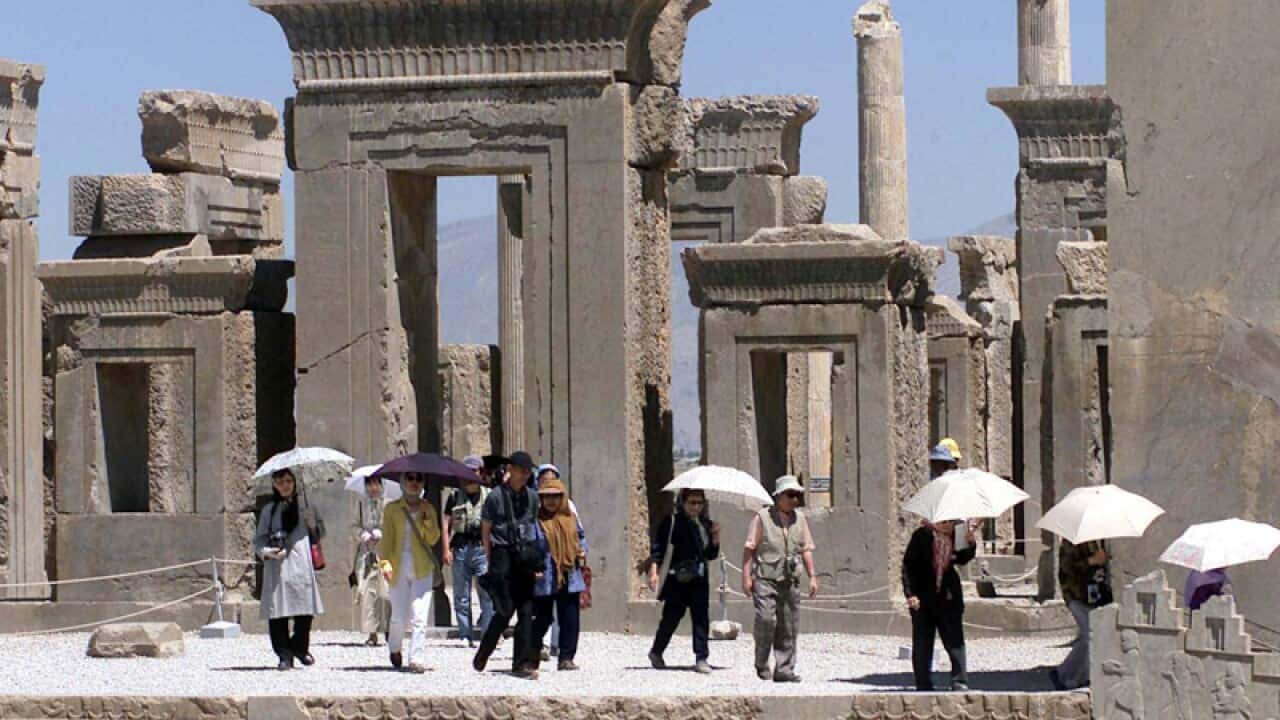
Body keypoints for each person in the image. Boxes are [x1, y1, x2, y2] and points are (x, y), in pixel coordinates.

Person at [473, 450, 545, 679]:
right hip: (501, 554)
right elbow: (486, 529)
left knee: (526, 610)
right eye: (521, 471)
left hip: (524, 555)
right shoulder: (495, 497)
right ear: (510, 470)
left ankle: (521, 664)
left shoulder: (533, 498)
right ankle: (485, 650)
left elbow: (533, 527)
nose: (525, 475)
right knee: (504, 610)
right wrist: (489, 558)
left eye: (528, 472)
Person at [742, 476, 818, 683]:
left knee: (788, 625)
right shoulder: (762, 518)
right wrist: (746, 576)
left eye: (797, 496)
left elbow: (806, 549)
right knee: (766, 620)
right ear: (779, 496)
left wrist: (812, 577)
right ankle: (761, 661)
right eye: (790, 495)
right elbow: (749, 549)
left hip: (790, 579)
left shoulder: (800, 519)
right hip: (766, 578)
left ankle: (784, 668)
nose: (795, 500)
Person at [253, 469, 324, 671]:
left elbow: (320, 533)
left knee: (305, 610)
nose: (285, 485)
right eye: (280, 481)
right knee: (278, 613)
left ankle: (300, 647)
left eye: (289, 481)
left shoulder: (306, 506)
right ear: (274, 484)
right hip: (278, 565)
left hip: (301, 563)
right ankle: (284, 654)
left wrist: (313, 525)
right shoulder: (269, 510)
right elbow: (258, 540)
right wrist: (267, 552)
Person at [647, 488, 721, 675]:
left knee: (701, 619)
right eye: (692, 503)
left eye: (699, 503)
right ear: (683, 502)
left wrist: (715, 537)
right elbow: (658, 548)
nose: (696, 507)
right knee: (671, 618)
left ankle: (701, 657)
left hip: (699, 579)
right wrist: (654, 572)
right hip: (677, 579)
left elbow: (710, 554)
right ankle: (656, 651)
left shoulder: (706, 524)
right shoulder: (673, 522)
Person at [902, 518, 977, 691]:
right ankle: (923, 683)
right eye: (944, 522)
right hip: (923, 597)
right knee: (922, 642)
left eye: (951, 522)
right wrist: (910, 594)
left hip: (948, 596)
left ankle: (959, 681)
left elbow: (963, 558)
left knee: (954, 640)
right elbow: (908, 566)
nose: (948, 525)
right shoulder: (922, 536)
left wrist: (970, 543)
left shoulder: (957, 535)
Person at [378, 472, 441, 673]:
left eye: (419, 479)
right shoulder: (392, 509)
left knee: (420, 616)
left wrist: (426, 518)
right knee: (398, 615)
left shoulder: (428, 508)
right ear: (403, 482)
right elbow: (387, 540)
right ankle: (394, 647)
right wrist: (384, 564)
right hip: (397, 564)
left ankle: (416, 658)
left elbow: (433, 539)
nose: (414, 483)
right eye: (410, 478)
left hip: (422, 565)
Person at [531, 476, 587, 671]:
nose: (551, 501)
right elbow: (530, 544)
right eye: (547, 497)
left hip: (569, 574)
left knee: (570, 618)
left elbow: (580, 536)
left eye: (555, 496)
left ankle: (566, 657)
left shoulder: (571, 518)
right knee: (542, 618)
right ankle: (531, 653)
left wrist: (581, 550)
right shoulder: (536, 521)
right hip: (545, 576)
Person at [443, 456, 494, 648]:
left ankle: (488, 633)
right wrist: (446, 548)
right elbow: (446, 521)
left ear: (481, 472)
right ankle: (465, 633)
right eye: (467, 471)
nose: (471, 475)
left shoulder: (488, 495)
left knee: (487, 592)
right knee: (461, 594)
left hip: (482, 547)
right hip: (461, 547)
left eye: (474, 471)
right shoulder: (455, 496)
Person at [1051, 538, 1108, 690]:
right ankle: (1062, 673)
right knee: (1088, 636)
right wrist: (1092, 561)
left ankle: (1082, 677)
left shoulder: (1098, 542)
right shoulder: (1071, 543)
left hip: (1094, 596)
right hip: (1075, 595)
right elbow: (1067, 569)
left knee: (1093, 636)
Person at [352, 474, 390, 646]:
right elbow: (353, 526)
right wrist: (362, 534)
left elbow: (394, 526)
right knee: (368, 593)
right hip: (366, 553)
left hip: (385, 553)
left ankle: (389, 628)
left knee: (386, 593)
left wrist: (383, 533)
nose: (373, 488)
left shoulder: (389, 504)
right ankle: (372, 633)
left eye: (376, 484)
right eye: (369, 484)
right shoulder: (360, 504)